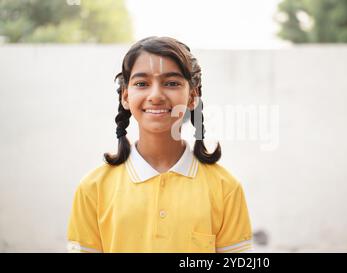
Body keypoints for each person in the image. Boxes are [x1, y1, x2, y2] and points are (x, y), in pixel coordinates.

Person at [67, 36, 253, 253]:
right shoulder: (93, 188)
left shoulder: (226, 188)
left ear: (193, 96)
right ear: (126, 96)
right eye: (142, 84)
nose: (155, 95)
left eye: (172, 83)